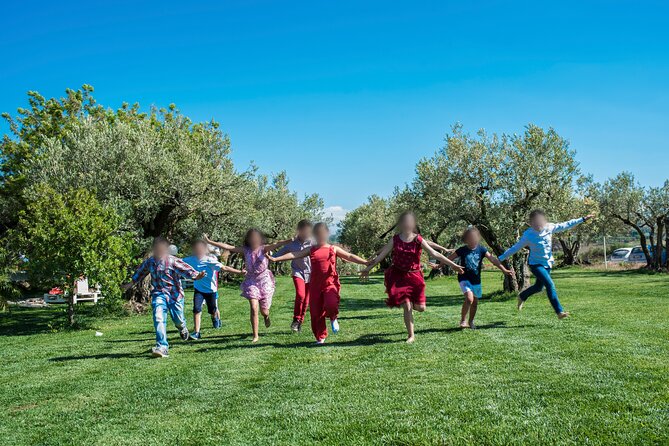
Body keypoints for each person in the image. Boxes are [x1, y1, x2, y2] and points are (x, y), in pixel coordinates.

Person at [360, 212, 465, 344]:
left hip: (415, 276)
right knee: (407, 304)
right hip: (398, 276)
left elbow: (434, 253)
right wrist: (368, 268)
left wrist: (453, 265)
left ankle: (406, 305)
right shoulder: (395, 239)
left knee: (421, 308)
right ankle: (411, 335)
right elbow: (381, 256)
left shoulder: (418, 239)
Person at [268, 223, 369, 344]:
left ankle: (333, 317)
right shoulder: (311, 249)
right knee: (316, 313)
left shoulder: (333, 248)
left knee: (331, 303)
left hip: (330, 283)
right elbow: (294, 254)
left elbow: (350, 256)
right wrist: (275, 259)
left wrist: (366, 262)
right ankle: (320, 337)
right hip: (315, 285)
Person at [498, 209, 595, 319]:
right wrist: (500, 258)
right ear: (531, 223)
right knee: (550, 285)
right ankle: (559, 312)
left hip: (547, 263)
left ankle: (522, 296)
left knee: (539, 287)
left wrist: (582, 219)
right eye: (535, 222)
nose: (538, 225)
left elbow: (566, 225)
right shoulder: (528, 235)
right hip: (535, 264)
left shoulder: (549, 227)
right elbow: (515, 248)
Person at [122, 237, 205, 358]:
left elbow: (187, 270)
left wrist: (197, 276)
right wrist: (129, 284)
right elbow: (140, 273)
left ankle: (182, 328)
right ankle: (162, 347)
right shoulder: (150, 262)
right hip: (158, 294)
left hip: (175, 295)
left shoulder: (173, 261)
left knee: (178, 319)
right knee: (158, 318)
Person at [204, 231, 291, 343]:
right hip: (251, 281)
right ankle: (255, 335)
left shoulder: (264, 248)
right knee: (254, 307)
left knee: (264, 311)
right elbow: (227, 246)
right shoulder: (245, 250)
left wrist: (291, 240)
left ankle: (266, 316)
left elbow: (278, 243)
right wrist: (209, 241)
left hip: (264, 280)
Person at [432, 226, 513, 329]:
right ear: (466, 239)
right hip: (464, 278)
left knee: (474, 303)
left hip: (476, 280)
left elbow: (493, 260)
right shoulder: (462, 250)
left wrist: (504, 270)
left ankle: (471, 322)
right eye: (469, 237)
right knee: (469, 299)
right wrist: (438, 266)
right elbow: (449, 259)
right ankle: (463, 320)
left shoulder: (482, 249)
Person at [183, 240, 245, 340]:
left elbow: (224, 268)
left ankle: (215, 317)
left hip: (211, 290)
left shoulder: (210, 260)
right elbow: (177, 262)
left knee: (212, 310)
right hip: (198, 289)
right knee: (196, 309)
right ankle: (197, 332)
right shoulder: (190, 259)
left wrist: (240, 272)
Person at [273, 219, 314, 332]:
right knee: (300, 295)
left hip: (311, 273)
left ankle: (300, 321)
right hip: (297, 272)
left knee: (306, 300)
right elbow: (278, 254)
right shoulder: (292, 244)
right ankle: (296, 320)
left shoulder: (313, 243)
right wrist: (268, 257)